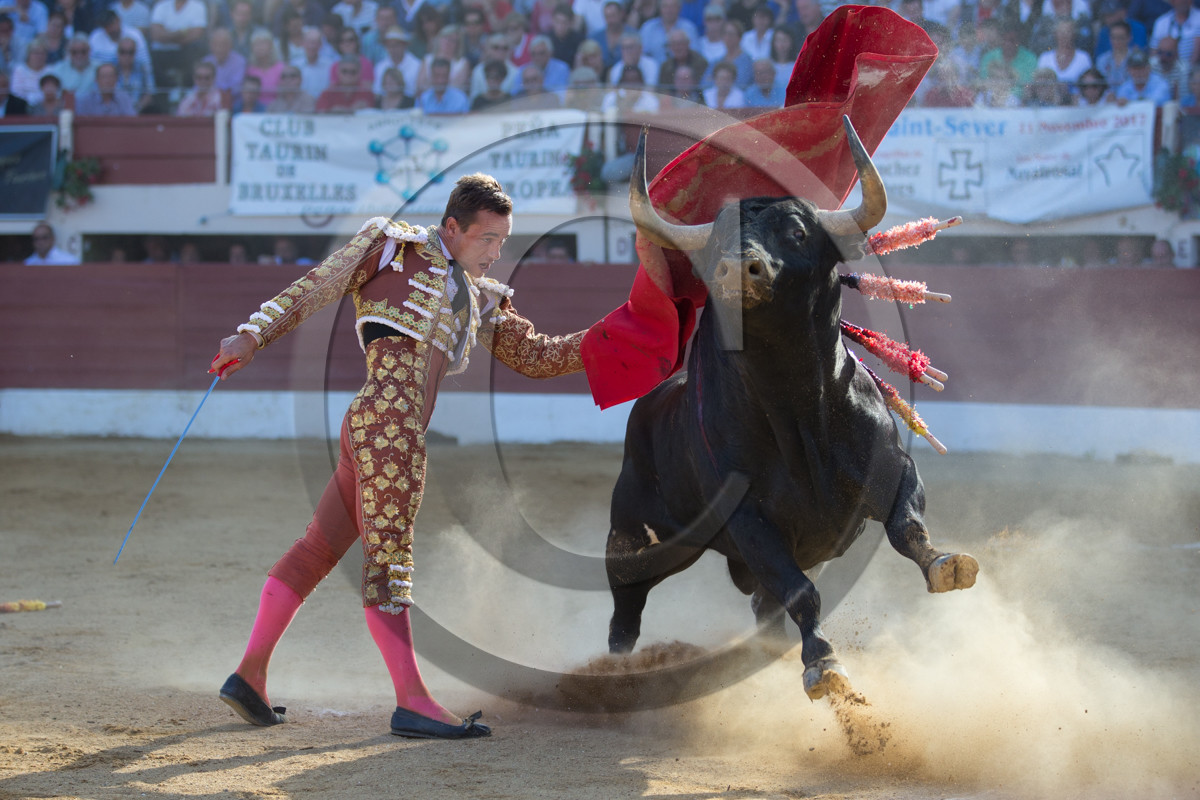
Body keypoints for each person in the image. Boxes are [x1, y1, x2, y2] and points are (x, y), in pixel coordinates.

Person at [210, 174, 587, 739]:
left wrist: (624, 333)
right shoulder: (393, 249)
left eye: (503, 241)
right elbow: (315, 286)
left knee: (317, 548)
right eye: (486, 239)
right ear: (453, 227)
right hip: (390, 430)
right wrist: (251, 335)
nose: (495, 253)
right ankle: (412, 701)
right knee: (389, 565)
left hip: (371, 427)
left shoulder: (479, 295)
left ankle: (250, 676)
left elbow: (537, 356)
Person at [373, 26, 419, 98]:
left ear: (404, 45)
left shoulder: (417, 65)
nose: (392, 49)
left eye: (396, 45)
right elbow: (377, 92)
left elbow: (416, 93)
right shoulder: (380, 67)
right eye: (389, 46)